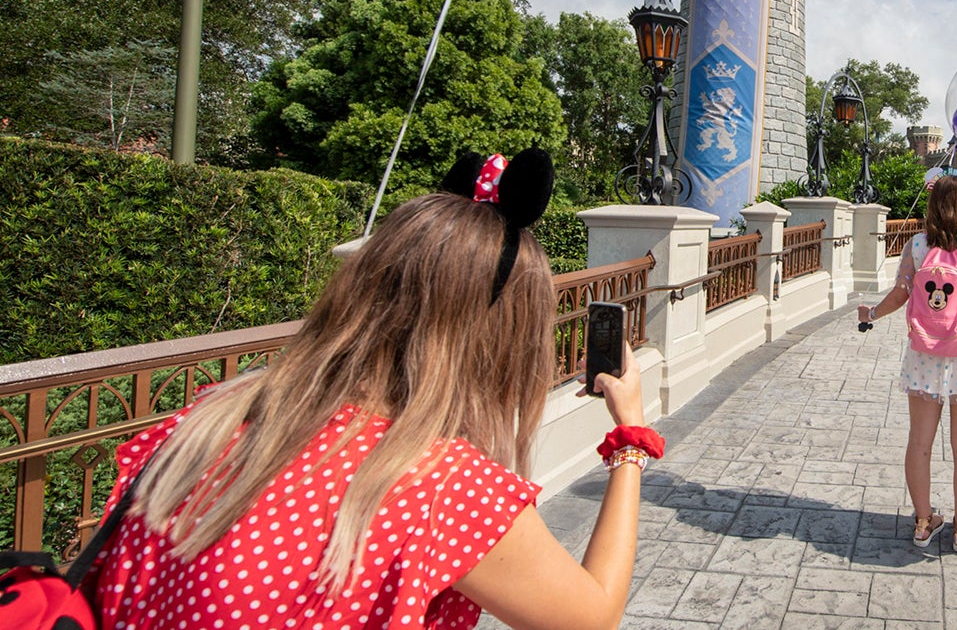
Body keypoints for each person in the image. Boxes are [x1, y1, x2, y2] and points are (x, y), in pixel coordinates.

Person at [88, 147, 657, 630]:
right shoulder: (442, 486)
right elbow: (593, 616)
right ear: (499, 339)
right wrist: (630, 438)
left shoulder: (201, 426)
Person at [856, 174, 957, 552]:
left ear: (931, 208)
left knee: (919, 442)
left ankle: (924, 521)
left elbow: (900, 293)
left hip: (925, 354)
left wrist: (871, 314)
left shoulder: (915, 247)